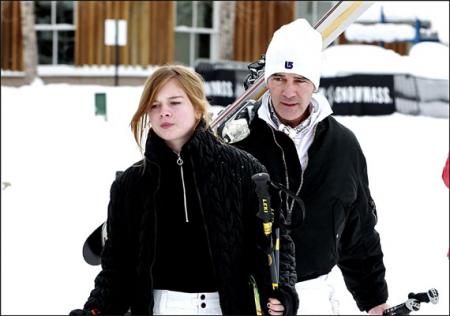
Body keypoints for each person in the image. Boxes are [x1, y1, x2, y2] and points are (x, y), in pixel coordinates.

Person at [70, 65, 299, 316]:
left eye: (175, 102)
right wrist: (95, 309)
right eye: (154, 105)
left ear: (198, 108)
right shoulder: (132, 184)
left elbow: (275, 244)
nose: (163, 112)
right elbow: (116, 268)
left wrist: (282, 294)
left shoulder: (244, 170)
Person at [222, 19, 389, 315]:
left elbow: (359, 229)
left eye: (300, 80)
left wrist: (375, 300)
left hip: (313, 296)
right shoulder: (238, 140)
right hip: (249, 296)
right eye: (279, 79)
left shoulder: (343, 146)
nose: (289, 92)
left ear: (315, 83)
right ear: (266, 81)